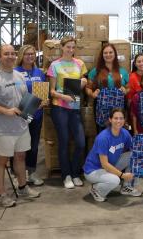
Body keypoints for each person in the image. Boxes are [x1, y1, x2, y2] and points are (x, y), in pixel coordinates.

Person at [0, 44, 40, 207]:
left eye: (13, 53)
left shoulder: (19, 76)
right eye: (6, 54)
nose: (10, 56)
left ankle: (22, 187)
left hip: (21, 126)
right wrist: (5, 111)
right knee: (1, 161)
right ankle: (1, 195)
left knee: (21, 157)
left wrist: (35, 105)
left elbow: (23, 99)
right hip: (3, 128)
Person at [47, 36, 88, 189]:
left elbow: (83, 82)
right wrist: (63, 96)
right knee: (63, 142)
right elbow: (51, 91)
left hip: (75, 108)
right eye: (68, 47)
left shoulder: (80, 64)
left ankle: (76, 173)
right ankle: (67, 175)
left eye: (73, 47)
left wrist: (83, 83)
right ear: (62, 47)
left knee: (80, 142)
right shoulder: (55, 65)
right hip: (60, 108)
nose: (70, 50)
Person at [83, 108, 142, 202]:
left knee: (134, 156)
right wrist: (123, 175)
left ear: (124, 120)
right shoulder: (103, 137)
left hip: (110, 165)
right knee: (115, 180)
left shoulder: (125, 133)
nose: (118, 121)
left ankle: (126, 187)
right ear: (110, 120)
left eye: (121, 118)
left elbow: (135, 150)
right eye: (115, 118)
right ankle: (96, 189)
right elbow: (104, 164)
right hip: (94, 170)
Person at [14, 45, 48, 186]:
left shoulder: (39, 73)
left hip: (36, 114)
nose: (30, 56)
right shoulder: (15, 72)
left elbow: (42, 94)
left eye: (32, 54)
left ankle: (31, 172)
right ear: (22, 55)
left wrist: (44, 101)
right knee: (19, 147)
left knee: (33, 146)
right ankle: (17, 175)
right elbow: (14, 94)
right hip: (20, 114)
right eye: (27, 54)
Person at [85, 44, 129, 129]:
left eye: (110, 52)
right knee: (103, 132)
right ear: (102, 55)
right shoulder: (95, 71)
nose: (108, 55)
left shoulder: (123, 71)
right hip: (101, 107)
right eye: (105, 53)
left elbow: (129, 87)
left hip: (118, 108)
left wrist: (125, 90)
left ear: (115, 54)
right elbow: (87, 88)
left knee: (118, 132)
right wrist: (92, 94)